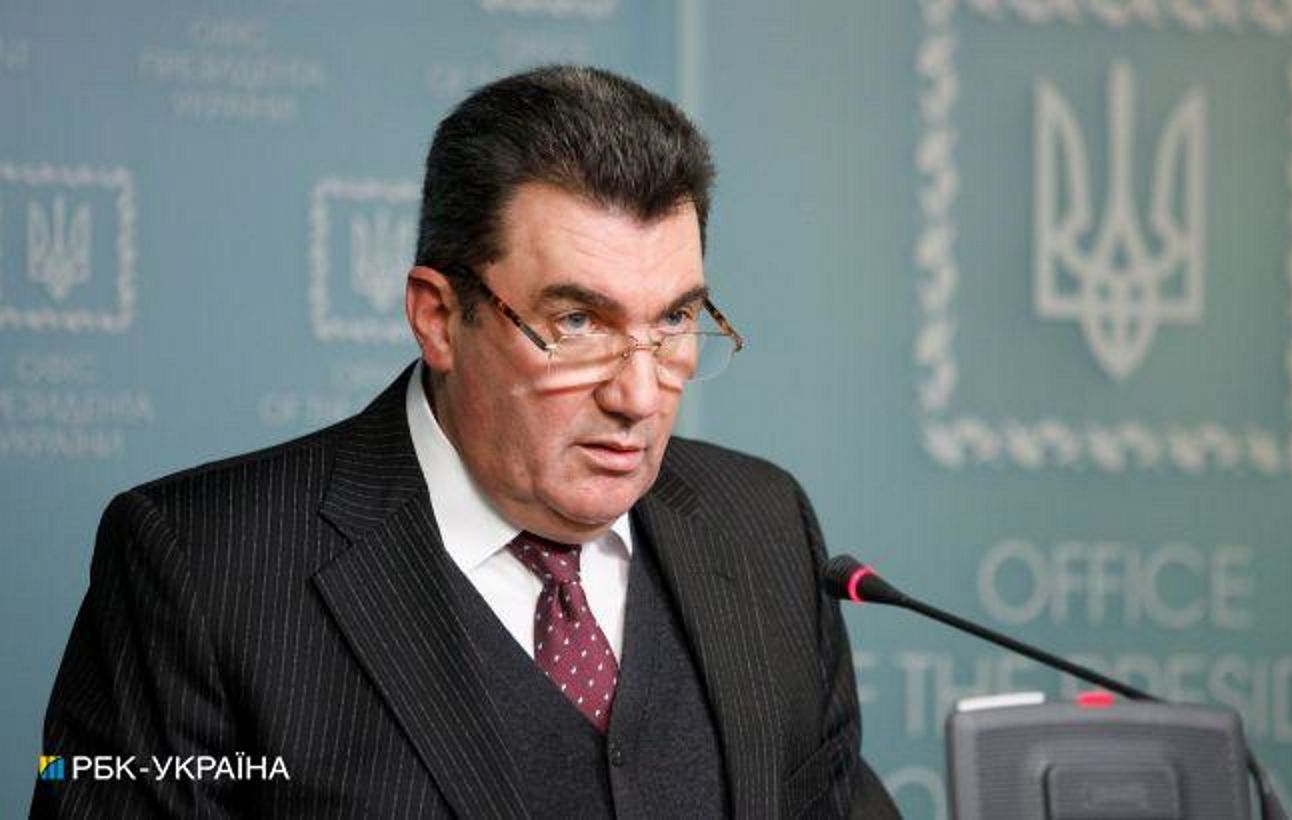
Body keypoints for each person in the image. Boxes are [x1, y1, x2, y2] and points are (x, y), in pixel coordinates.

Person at [34, 65, 898, 818]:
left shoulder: (764, 527)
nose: (639, 396)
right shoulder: (200, 567)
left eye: (673, 320)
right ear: (439, 318)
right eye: (577, 322)